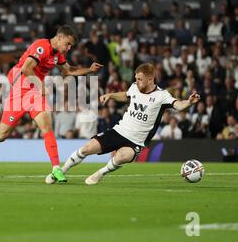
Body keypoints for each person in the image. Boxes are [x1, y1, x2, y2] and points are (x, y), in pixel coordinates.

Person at [0, 25, 102, 183]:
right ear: (59, 37)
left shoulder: (57, 54)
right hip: (20, 89)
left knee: (46, 126)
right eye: (68, 43)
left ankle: (56, 168)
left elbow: (69, 71)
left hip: (34, 92)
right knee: (1, 135)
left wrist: (89, 70)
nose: (69, 48)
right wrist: (41, 86)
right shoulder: (41, 46)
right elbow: (26, 69)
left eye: (71, 45)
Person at [47, 63, 201, 185]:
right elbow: (126, 95)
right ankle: (61, 170)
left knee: (122, 156)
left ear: (150, 79)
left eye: (140, 79)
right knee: (87, 148)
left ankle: (99, 173)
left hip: (136, 141)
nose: (136, 81)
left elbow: (179, 105)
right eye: (136, 78)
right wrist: (111, 95)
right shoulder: (134, 87)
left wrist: (189, 102)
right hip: (119, 130)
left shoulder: (162, 96)